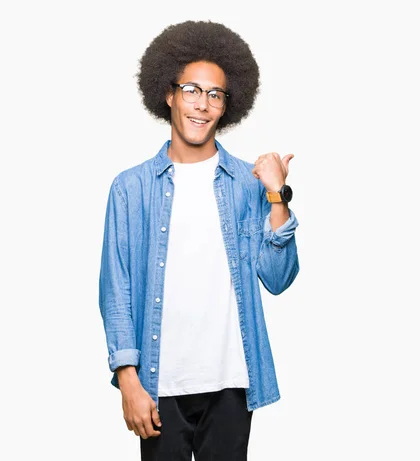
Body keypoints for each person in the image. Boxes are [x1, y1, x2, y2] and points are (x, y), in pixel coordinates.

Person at [98, 20, 300, 461]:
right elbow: (117, 290)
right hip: (158, 382)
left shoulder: (250, 184)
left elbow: (279, 279)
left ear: (228, 105)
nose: (202, 104)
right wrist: (127, 379)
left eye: (214, 94)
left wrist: (276, 196)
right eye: (191, 90)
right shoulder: (131, 189)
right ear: (168, 94)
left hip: (231, 381)